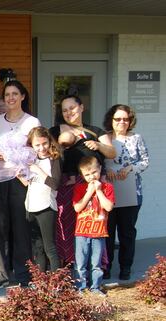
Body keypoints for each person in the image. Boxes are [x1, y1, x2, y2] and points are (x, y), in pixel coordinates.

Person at [0, 80, 41, 288]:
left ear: (23, 97)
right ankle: (1, 273)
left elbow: (34, 151)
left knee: (21, 227)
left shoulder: (32, 122)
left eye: (15, 94)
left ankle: (23, 274)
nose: (10, 98)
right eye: (7, 94)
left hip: (20, 179)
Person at [49, 95, 114, 267]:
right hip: (66, 184)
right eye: (64, 110)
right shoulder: (56, 131)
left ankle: (95, 266)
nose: (68, 112)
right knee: (65, 224)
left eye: (72, 108)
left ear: (82, 107)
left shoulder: (96, 131)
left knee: (94, 224)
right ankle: (68, 264)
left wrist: (99, 146)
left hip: (92, 184)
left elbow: (112, 152)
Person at [101, 104, 149, 280]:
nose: (122, 122)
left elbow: (144, 162)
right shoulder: (105, 138)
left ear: (130, 121)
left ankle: (125, 267)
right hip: (109, 192)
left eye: (125, 119)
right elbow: (98, 162)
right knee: (107, 231)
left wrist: (129, 168)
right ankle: (106, 267)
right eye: (118, 119)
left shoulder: (136, 138)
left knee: (127, 232)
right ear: (111, 120)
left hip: (131, 192)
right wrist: (107, 170)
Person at [20, 127, 62, 272]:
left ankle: (57, 282)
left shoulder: (53, 159)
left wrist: (38, 170)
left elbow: (55, 184)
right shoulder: (31, 160)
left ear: (50, 142)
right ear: (31, 145)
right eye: (37, 145)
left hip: (46, 207)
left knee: (49, 247)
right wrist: (20, 175)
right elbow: (28, 183)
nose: (42, 148)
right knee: (37, 247)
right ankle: (41, 281)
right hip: (31, 206)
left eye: (44, 143)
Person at [73, 156, 115, 295]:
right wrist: (89, 192)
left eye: (94, 172)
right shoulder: (79, 188)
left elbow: (108, 207)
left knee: (96, 263)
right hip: (82, 232)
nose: (91, 177)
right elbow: (77, 208)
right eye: (87, 174)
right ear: (82, 175)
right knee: (80, 263)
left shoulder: (107, 187)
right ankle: (80, 287)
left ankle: (95, 287)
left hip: (99, 232)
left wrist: (98, 191)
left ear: (100, 169)